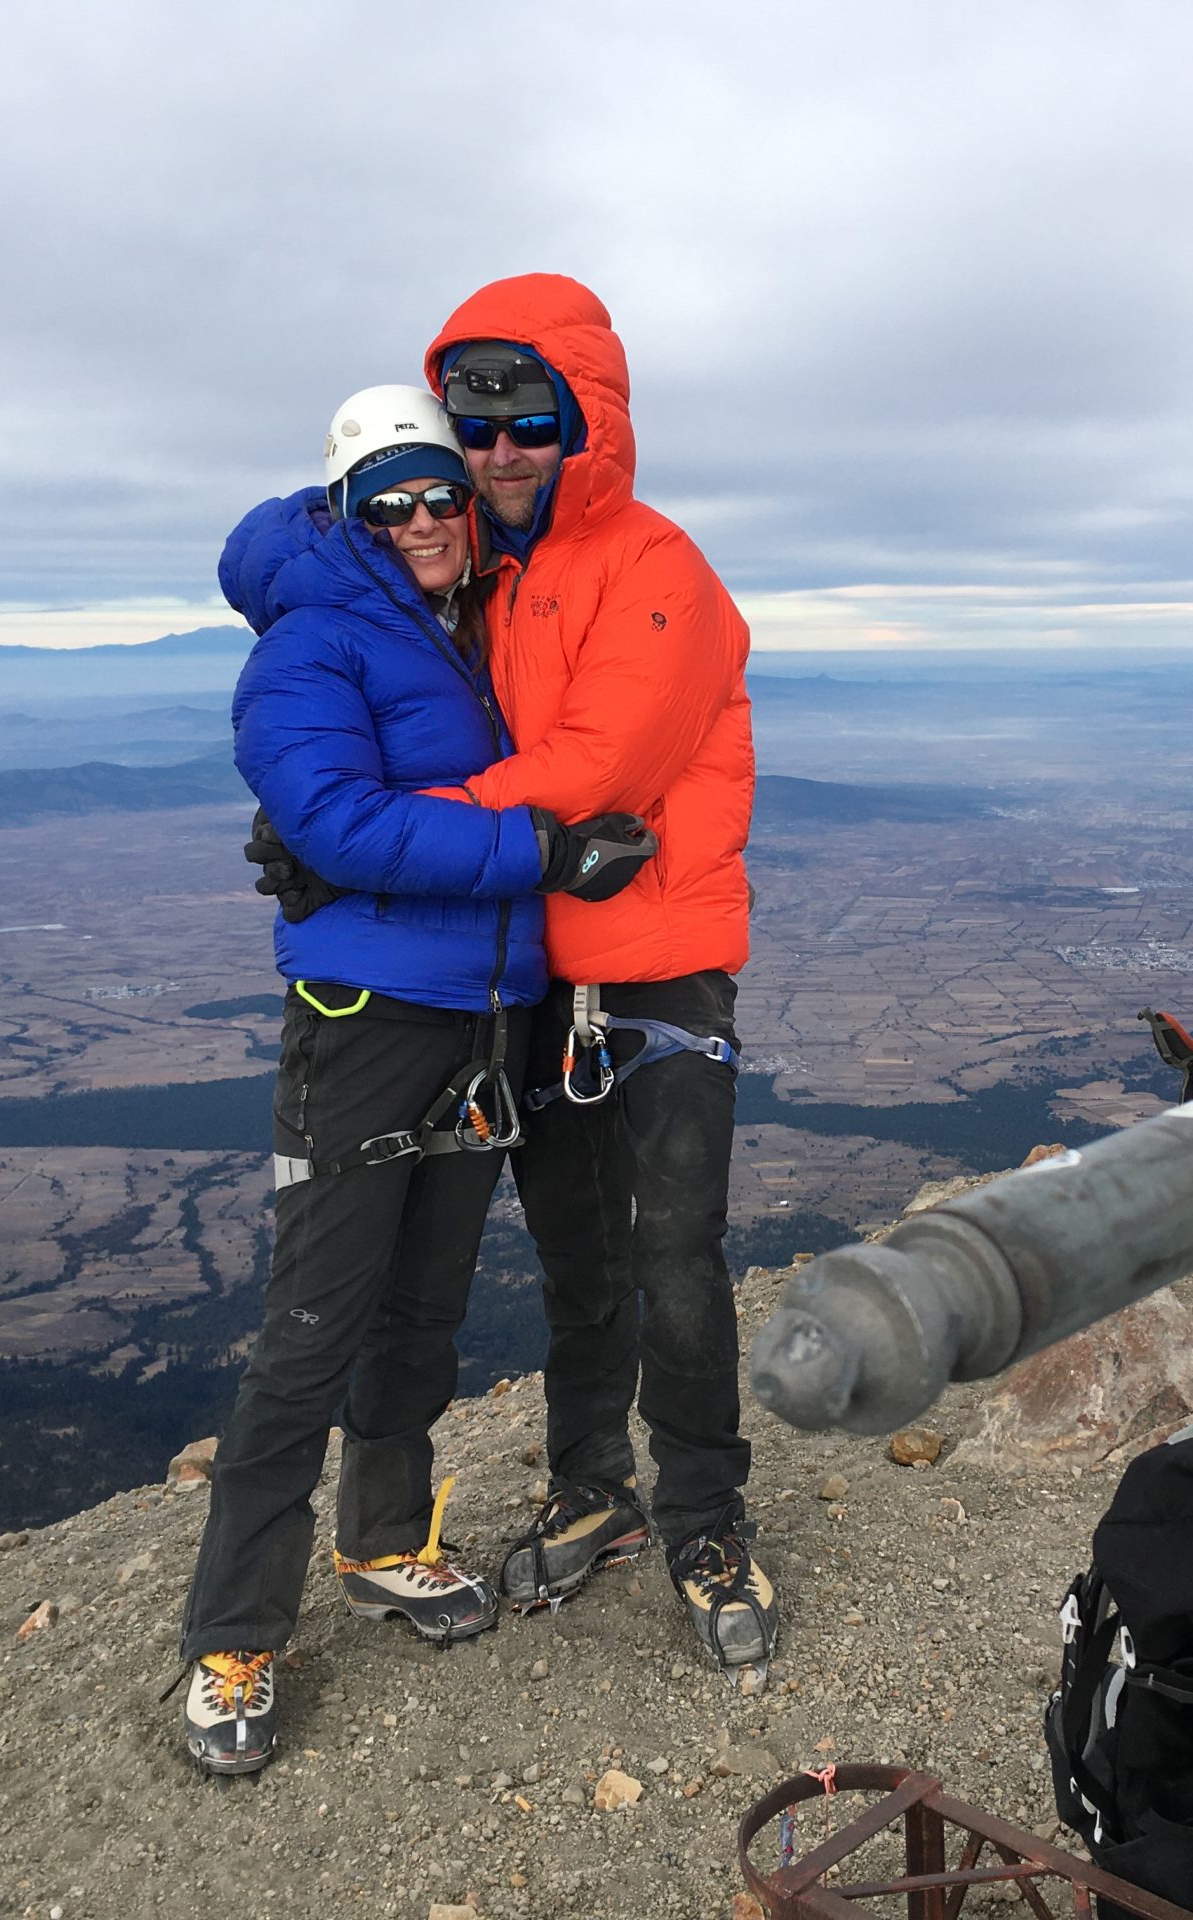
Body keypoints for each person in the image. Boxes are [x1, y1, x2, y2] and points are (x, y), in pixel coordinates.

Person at [176, 386, 655, 1776]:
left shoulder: (470, 623)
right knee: (312, 1328)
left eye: (441, 491)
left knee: (421, 1312)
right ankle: (232, 1638)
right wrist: (542, 859)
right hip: (371, 1021)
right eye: (392, 501)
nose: (430, 518)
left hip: (487, 1019)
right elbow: (336, 820)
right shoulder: (315, 641)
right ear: (346, 512)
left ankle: (386, 1540)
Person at [425, 275, 774, 1670]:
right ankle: (597, 1489)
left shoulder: (657, 568)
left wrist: (388, 838)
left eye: (530, 417)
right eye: (476, 419)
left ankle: (705, 1514)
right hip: (528, 971)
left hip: (661, 974)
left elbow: (595, 771)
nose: (502, 448)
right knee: (579, 1260)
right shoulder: (481, 582)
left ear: (587, 421)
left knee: (673, 1257)